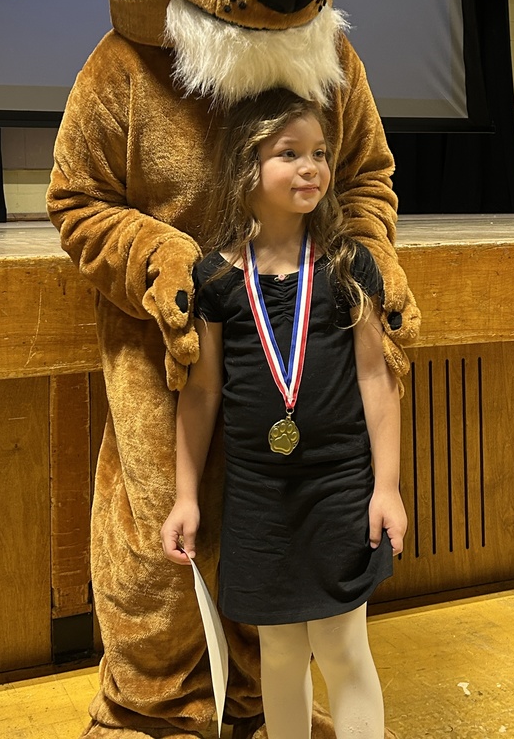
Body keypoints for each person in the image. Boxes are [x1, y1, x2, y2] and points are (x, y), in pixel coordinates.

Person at [161, 88, 407, 739]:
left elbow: (376, 377)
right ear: (247, 167)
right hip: (259, 499)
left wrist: (386, 488)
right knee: (281, 653)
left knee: (343, 648)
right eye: (289, 153)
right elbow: (202, 393)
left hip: (338, 490)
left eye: (320, 153)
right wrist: (185, 496)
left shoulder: (351, 267)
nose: (312, 167)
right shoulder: (216, 279)